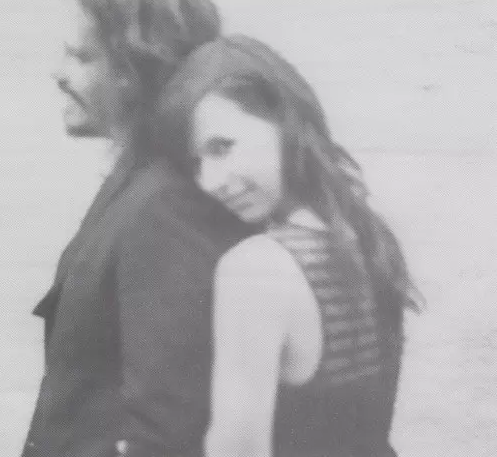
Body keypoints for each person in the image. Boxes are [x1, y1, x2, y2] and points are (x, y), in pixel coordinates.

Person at [21, 0, 256, 457]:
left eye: (81, 57)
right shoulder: (135, 185)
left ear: (134, 69)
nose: (57, 73)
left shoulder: (163, 208)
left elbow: (169, 430)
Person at [153, 35, 423, 457]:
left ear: (285, 122)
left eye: (222, 147)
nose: (210, 182)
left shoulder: (255, 268)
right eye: (196, 163)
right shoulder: (369, 237)